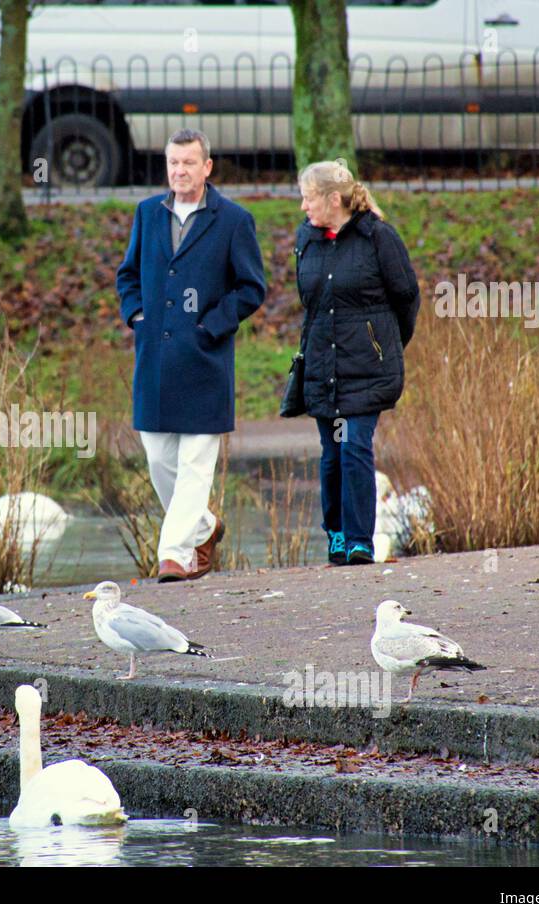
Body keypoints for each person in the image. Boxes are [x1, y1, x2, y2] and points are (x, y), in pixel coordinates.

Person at [116, 129, 267, 582]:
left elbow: (251, 288)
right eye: (173, 163)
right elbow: (127, 276)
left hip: (205, 362)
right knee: (159, 459)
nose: (179, 171)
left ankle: (174, 556)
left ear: (207, 167)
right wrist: (136, 315)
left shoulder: (234, 221)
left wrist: (211, 325)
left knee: (195, 465)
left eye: (188, 163)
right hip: (155, 362)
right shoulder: (147, 214)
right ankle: (204, 526)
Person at [295, 161, 419, 566]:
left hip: (366, 367)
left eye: (308, 197)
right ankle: (335, 535)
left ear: (334, 199)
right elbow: (310, 305)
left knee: (354, 447)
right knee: (331, 453)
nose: (302, 206)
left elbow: (406, 297)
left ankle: (359, 540)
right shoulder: (307, 239)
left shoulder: (378, 237)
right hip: (321, 365)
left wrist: (384, 345)